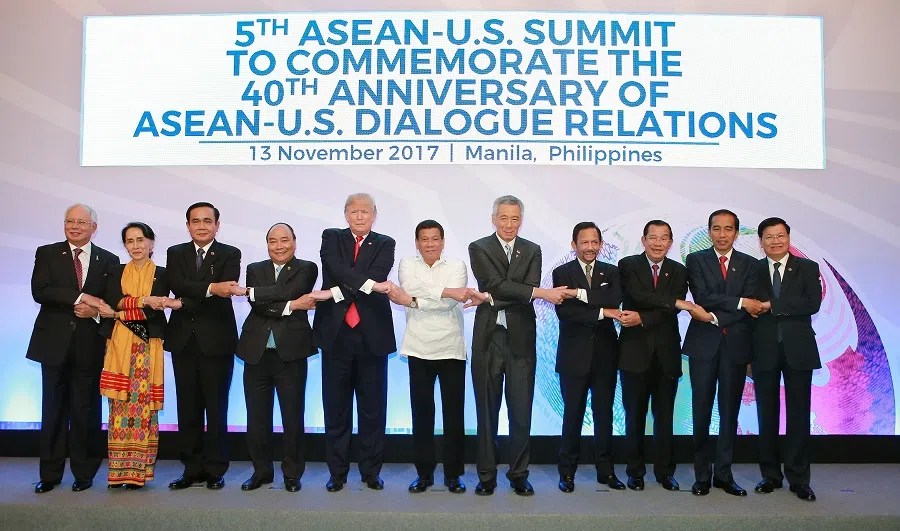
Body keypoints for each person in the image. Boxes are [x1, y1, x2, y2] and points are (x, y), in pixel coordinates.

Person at [467, 195, 571, 496]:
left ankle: (519, 474)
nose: (509, 224)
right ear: (493, 219)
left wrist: (491, 296)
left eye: (515, 219)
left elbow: (502, 288)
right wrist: (535, 292)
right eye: (503, 218)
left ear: (521, 220)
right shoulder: (479, 247)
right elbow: (494, 283)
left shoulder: (533, 249)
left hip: (521, 340)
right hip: (488, 339)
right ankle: (486, 476)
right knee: (486, 410)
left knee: (521, 410)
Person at [27, 203, 120, 493]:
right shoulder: (48, 253)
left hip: (89, 344)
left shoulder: (109, 259)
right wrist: (80, 299)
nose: (75, 226)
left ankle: (84, 471)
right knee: (52, 408)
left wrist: (92, 312)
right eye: (70, 221)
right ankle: (50, 474)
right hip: (53, 342)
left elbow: (111, 302)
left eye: (81, 222)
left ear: (94, 227)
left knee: (86, 409)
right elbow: (39, 291)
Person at [312, 193, 397, 492]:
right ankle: (337, 472)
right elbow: (334, 268)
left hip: (371, 336)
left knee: (373, 409)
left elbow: (378, 274)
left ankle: (371, 471)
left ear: (375, 215)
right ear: (345, 214)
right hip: (336, 335)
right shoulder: (331, 237)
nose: (360, 216)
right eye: (354, 211)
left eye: (366, 212)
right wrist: (369, 286)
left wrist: (336, 291)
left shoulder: (386, 243)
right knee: (336, 408)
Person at [394, 220, 479, 494]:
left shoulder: (456, 266)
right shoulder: (408, 264)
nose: (430, 244)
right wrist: (442, 293)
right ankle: (424, 474)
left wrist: (415, 301)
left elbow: (450, 303)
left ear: (442, 241)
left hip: (451, 348)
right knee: (422, 415)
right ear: (417, 243)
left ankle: (454, 474)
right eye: (424, 239)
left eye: (435, 239)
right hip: (418, 348)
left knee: (453, 416)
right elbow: (410, 287)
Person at [683, 209, 762, 497]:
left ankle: (724, 474)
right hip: (703, 347)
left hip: (736, 348)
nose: (722, 234)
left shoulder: (751, 264)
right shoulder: (696, 260)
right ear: (709, 231)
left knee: (730, 413)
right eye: (716, 228)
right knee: (701, 411)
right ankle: (702, 475)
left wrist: (717, 316)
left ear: (736, 233)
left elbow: (752, 307)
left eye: (728, 229)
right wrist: (740, 302)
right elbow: (702, 297)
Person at [236, 223, 320, 493]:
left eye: (285, 240)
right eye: (273, 241)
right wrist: (293, 306)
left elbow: (287, 291)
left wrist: (256, 293)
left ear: (294, 242)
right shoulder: (254, 268)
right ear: (267, 244)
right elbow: (257, 304)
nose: (279, 246)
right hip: (256, 352)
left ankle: (292, 474)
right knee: (256, 417)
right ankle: (261, 472)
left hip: (291, 353)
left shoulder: (307, 268)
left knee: (292, 417)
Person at [165, 202, 243, 491]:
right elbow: (176, 284)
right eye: (195, 221)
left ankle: (215, 469)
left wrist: (188, 296)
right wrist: (210, 288)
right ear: (187, 225)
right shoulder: (175, 253)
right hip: (183, 340)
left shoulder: (230, 253)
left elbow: (223, 287)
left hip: (217, 340)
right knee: (188, 408)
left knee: (216, 407)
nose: (201, 225)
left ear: (217, 225)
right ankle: (191, 468)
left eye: (207, 221)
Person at [98, 222, 178, 490]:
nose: (136, 246)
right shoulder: (116, 271)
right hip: (120, 347)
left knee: (144, 410)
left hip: (148, 346)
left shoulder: (164, 274)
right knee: (119, 408)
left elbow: (160, 307)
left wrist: (126, 308)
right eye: (130, 241)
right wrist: (144, 301)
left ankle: (139, 475)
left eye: (141, 240)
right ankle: (118, 473)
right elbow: (113, 300)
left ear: (152, 243)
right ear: (124, 245)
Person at [750, 217, 822, 502]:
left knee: (798, 416)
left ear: (789, 238)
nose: (775, 241)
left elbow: (811, 303)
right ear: (761, 241)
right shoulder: (752, 269)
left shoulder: (807, 267)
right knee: (766, 416)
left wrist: (771, 306)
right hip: (763, 350)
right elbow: (747, 307)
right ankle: (770, 475)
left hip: (798, 350)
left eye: (780, 236)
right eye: (769, 237)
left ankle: (799, 478)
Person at [618, 220, 692, 492]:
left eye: (664, 238)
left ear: (671, 243)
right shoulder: (628, 265)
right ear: (643, 239)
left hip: (667, 355)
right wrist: (671, 301)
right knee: (633, 416)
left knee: (665, 416)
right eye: (653, 237)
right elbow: (637, 294)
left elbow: (670, 311)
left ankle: (665, 472)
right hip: (633, 354)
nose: (658, 243)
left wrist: (642, 317)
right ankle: (634, 472)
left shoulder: (680, 270)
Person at [553, 222, 624, 493]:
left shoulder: (613, 272)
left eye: (595, 242)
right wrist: (602, 311)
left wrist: (582, 295)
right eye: (585, 242)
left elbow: (614, 297)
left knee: (604, 415)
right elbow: (566, 313)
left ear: (601, 244)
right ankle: (566, 472)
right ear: (574, 245)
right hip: (573, 356)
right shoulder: (562, 272)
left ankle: (606, 471)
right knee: (572, 415)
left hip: (606, 354)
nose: (590, 247)